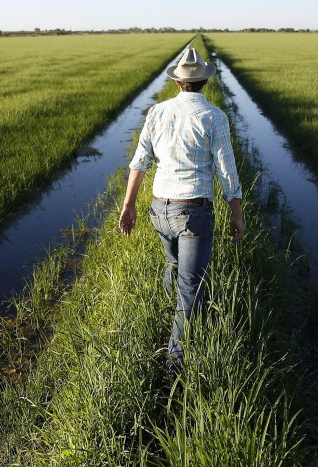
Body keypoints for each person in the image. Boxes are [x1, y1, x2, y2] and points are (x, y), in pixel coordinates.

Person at [118, 47, 245, 378]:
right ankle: (175, 371)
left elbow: (140, 161)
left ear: (177, 82)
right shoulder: (214, 117)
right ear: (203, 81)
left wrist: (128, 205)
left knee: (174, 267)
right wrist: (237, 212)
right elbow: (227, 171)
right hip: (194, 214)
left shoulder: (157, 112)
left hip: (159, 210)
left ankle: (167, 314)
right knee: (191, 288)